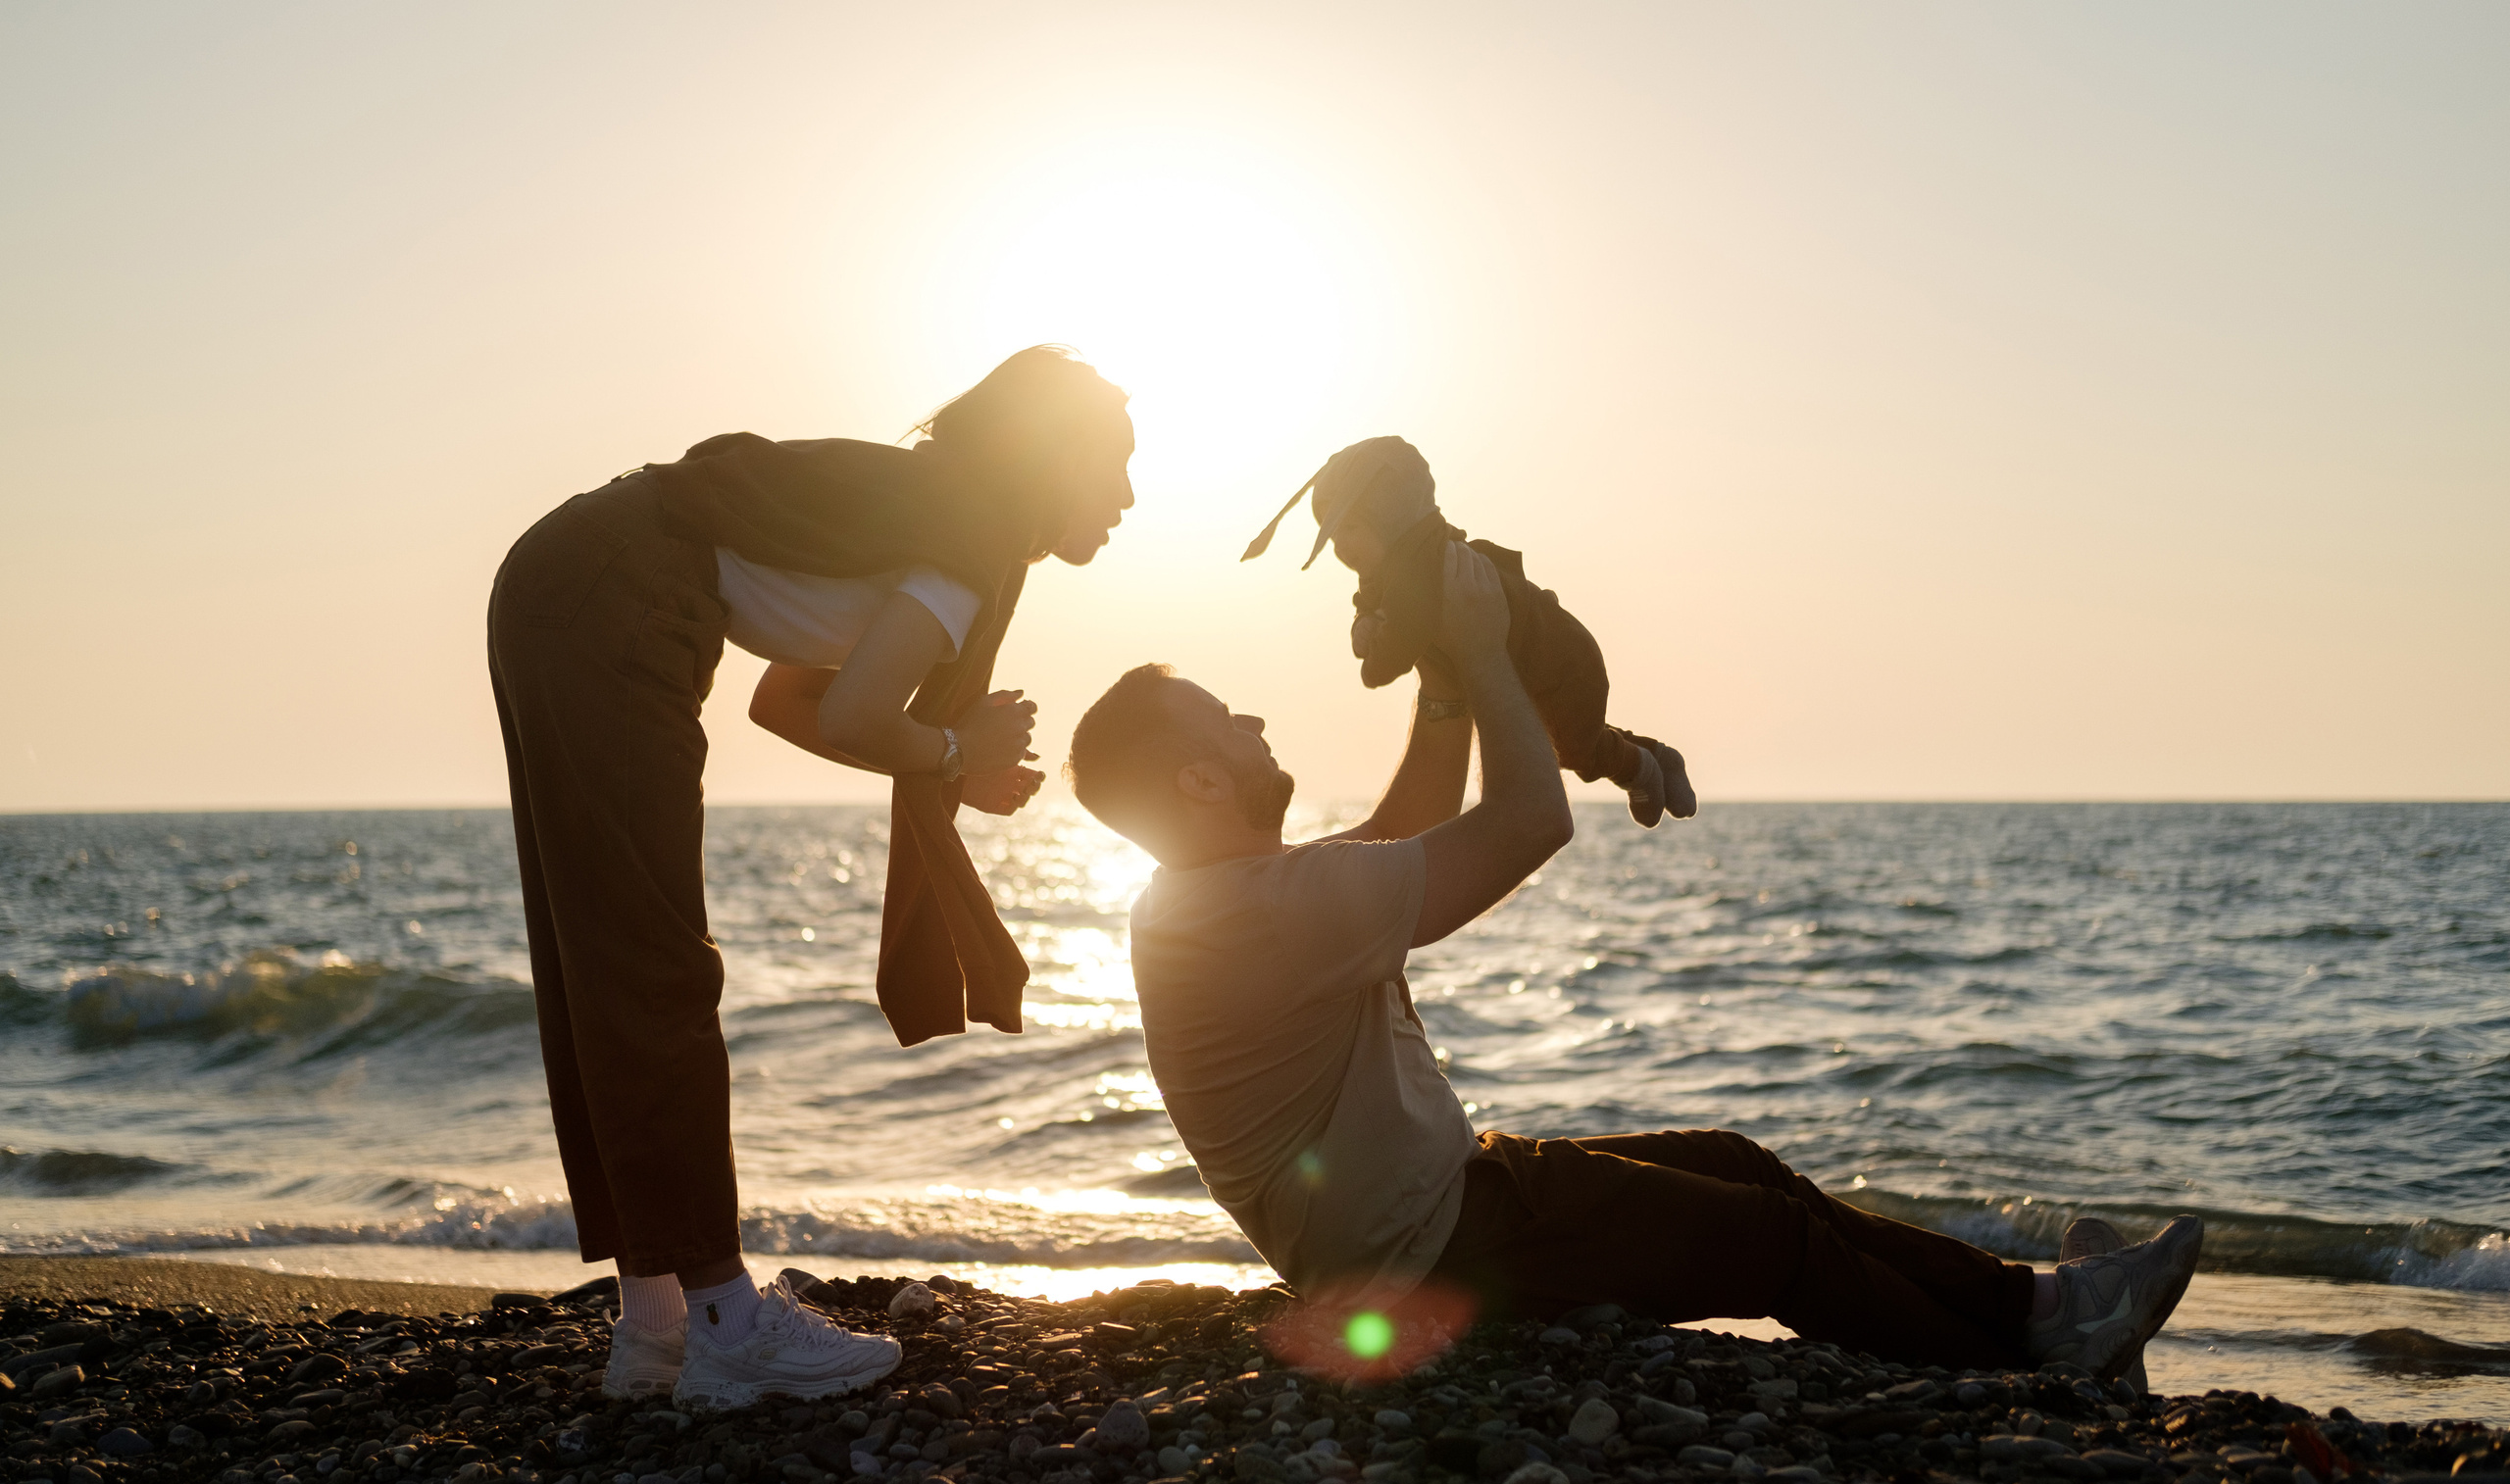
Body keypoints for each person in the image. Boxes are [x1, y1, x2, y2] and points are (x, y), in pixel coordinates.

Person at [1066, 544, 2200, 1379]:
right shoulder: (1260, 912)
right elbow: (1526, 823)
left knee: (1732, 1161)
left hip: (1431, 1216)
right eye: (1225, 720)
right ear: (1198, 782)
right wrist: (1479, 650)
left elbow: (1407, 821)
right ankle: (2040, 1350)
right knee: (1771, 1246)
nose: (1254, 720)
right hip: (1436, 1244)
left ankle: (2042, 1311)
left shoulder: (1215, 904)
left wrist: (1450, 678)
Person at [488, 347, 1134, 1411]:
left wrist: (944, 750)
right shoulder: (972, 533)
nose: (1125, 496)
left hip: (576, 576)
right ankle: (728, 1323)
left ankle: (657, 1328)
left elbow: (783, 705)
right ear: (1050, 456)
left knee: (601, 957)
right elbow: (849, 719)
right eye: (1111, 464)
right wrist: (945, 750)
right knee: (651, 963)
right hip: (615, 593)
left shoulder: (933, 515)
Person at [1242, 434, 1697, 827]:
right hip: (1525, 664)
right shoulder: (1393, 565)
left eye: (1353, 529)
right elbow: (1370, 604)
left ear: (1391, 515)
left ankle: (1640, 766)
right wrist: (1364, 623)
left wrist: (1371, 643)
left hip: (1558, 659)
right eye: (1332, 534)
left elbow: (1384, 665)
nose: (1342, 548)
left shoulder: (1421, 573)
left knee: (1567, 747)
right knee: (1550, 736)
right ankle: (1655, 755)